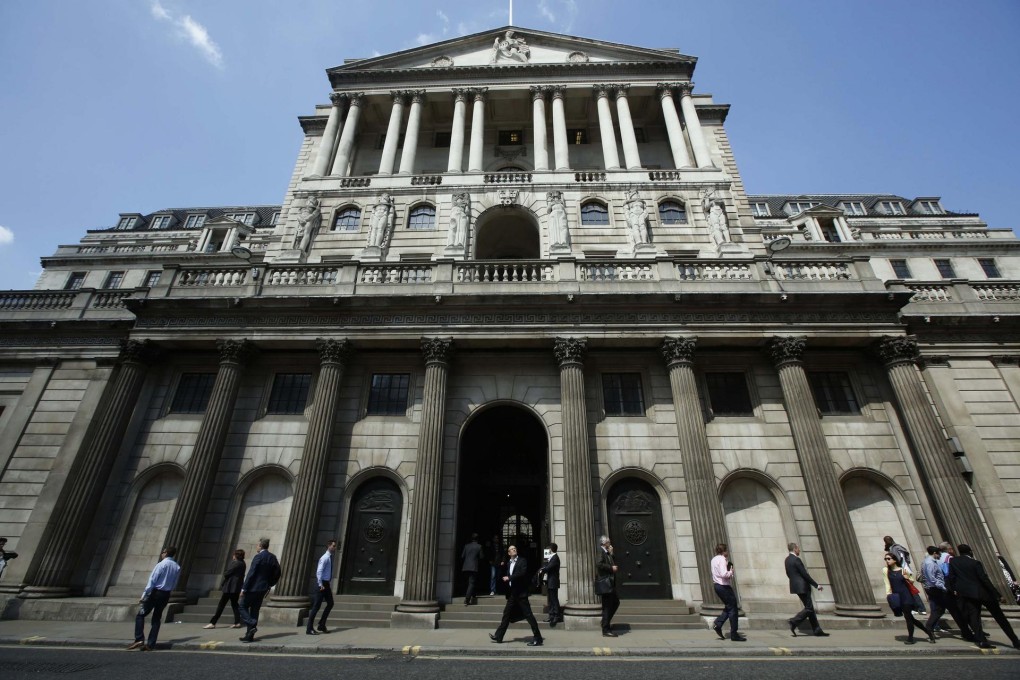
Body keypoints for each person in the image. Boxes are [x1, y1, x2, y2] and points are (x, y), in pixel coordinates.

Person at [947, 543, 1020, 650]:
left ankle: (982, 641)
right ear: (970, 552)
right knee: (1000, 618)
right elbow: (984, 579)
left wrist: (955, 590)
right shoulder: (975, 563)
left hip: (968, 595)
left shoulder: (954, 561)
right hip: (983, 594)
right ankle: (1015, 640)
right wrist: (998, 595)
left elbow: (951, 577)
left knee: (974, 618)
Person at [127, 546, 181, 651]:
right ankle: (151, 644)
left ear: (166, 553)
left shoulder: (161, 565)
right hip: (166, 594)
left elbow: (152, 581)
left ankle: (139, 639)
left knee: (140, 615)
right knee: (156, 618)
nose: (162, 553)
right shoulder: (177, 567)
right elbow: (175, 583)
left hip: (155, 593)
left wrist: (144, 595)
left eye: (163, 552)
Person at [489, 545, 543, 646]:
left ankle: (538, 638)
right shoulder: (509, 563)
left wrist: (509, 578)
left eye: (515, 549)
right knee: (506, 613)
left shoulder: (522, 561)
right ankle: (499, 636)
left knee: (528, 615)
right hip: (513, 593)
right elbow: (505, 573)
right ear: (509, 553)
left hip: (521, 593)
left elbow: (522, 573)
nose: (514, 550)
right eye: (512, 549)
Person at [921, 545, 972, 640]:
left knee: (939, 610)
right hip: (937, 589)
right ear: (935, 553)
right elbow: (932, 579)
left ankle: (929, 626)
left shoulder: (927, 561)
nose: (941, 556)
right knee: (954, 610)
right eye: (939, 554)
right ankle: (966, 633)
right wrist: (944, 588)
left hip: (935, 589)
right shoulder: (930, 563)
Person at [883, 551, 934, 644]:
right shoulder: (885, 570)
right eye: (885, 559)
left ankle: (910, 638)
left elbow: (911, 581)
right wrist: (888, 595)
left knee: (908, 617)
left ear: (894, 560)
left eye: (888, 559)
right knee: (910, 618)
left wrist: (907, 577)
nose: (887, 561)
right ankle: (928, 632)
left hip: (906, 595)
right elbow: (887, 583)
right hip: (896, 596)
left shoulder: (903, 570)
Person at [238, 537, 281, 643]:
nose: (256, 546)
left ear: (261, 546)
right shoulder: (272, 557)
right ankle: (249, 635)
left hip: (253, 588)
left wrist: (244, 588)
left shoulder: (258, 557)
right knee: (254, 610)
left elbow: (251, 573)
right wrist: (270, 583)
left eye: (257, 545)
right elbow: (278, 572)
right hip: (263, 588)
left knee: (242, 606)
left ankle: (252, 624)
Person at [784, 542, 829, 637]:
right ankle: (794, 621)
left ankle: (817, 630)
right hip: (803, 587)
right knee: (809, 608)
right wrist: (816, 585)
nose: (799, 550)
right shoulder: (797, 560)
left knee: (810, 609)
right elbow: (805, 575)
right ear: (795, 549)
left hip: (796, 587)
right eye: (798, 548)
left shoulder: (787, 560)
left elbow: (788, 574)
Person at [204, 549, 246, 629]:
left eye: (234, 555)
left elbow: (227, 573)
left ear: (236, 555)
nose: (233, 556)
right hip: (236, 587)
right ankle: (237, 622)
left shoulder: (235, 563)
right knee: (234, 605)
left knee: (221, 605)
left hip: (230, 587)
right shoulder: (243, 563)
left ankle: (213, 622)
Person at [711, 543, 744, 641]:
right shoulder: (722, 559)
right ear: (724, 551)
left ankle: (718, 624)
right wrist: (731, 572)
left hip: (717, 586)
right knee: (733, 609)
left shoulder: (714, 559)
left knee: (729, 606)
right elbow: (724, 574)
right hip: (724, 586)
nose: (727, 552)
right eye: (726, 551)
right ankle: (734, 633)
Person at [306, 539, 337, 635]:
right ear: (329, 546)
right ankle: (309, 628)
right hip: (322, 584)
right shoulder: (325, 558)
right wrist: (320, 584)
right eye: (333, 546)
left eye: (335, 546)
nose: (335, 548)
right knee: (316, 606)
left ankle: (321, 624)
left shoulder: (330, 557)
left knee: (330, 603)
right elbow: (319, 571)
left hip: (326, 584)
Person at [596, 535, 620, 637]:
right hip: (605, 583)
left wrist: (611, 553)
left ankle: (605, 623)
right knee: (608, 606)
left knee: (615, 603)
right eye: (608, 542)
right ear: (604, 543)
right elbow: (599, 564)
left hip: (610, 583)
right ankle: (606, 629)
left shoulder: (606, 552)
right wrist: (611, 568)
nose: (610, 544)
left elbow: (611, 561)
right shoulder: (600, 552)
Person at [537, 542, 561, 626]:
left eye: (548, 549)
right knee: (550, 599)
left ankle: (556, 616)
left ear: (551, 549)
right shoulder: (551, 557)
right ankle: (551, 615)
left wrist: (542, 570)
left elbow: (549, 567)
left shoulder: (555, 558)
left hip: (553, 581)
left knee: (554, 599)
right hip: (550, 581)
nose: (547, 550)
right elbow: (546, 565)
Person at [461, 533, 482, 606]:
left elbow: (462, 556)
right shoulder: (479, 546)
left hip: (466, 567)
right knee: (471, 583)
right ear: (477, 539)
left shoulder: (466, 546)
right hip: (473, 567)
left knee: (469, 582)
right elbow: (481, 557)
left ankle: (473, 594)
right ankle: (467, 599)